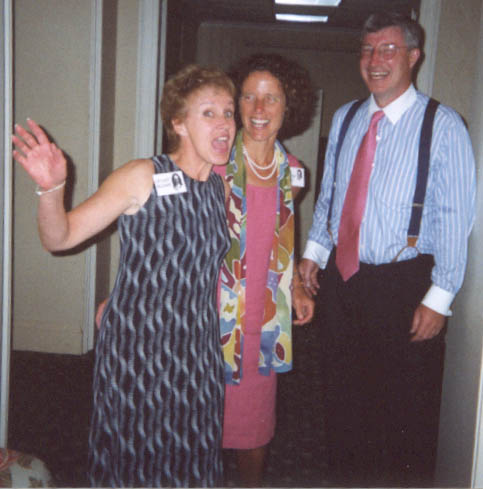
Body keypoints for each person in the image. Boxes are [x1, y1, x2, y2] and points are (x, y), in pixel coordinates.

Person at [12, 64, 236, 488]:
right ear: (178, 123)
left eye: (228, 113)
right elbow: (59, 238)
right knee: (139, 457)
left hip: (198, 349)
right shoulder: (142, 176)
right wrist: (51, 189)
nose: (224, 123)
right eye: (209, 113)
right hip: (141, 349)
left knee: (194, 452)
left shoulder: (218, 189)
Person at [299, 11, 476, 488]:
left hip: (404, 284)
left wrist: (439, 297)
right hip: (343, 281)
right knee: (341, 400)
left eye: (388, 49)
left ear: (414, 57)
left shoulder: (443, 125)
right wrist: (314, 252)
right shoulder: (346, 117)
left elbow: (456, 217)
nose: (374, 60)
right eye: (367, 49)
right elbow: (332, 196)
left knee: (401, 412)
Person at [215, 53, 315, 487]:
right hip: (210, 319)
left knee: (254, 430)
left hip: (265, 320)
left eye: (270, 98)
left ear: (288, 106)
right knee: (199, 422)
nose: (258, 109)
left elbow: (282, 237)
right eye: (248, 97)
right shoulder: (213, 163)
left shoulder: (293, 172)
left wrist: (297, 288)